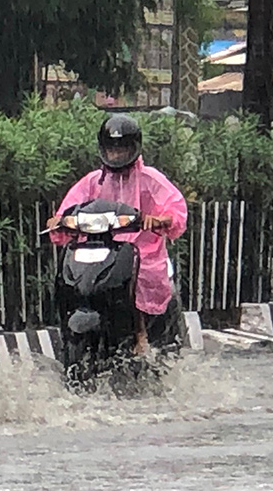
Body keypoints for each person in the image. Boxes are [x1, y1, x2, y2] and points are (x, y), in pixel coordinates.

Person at [47, 113, 188, 354]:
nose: (116, 154)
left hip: (142, 253)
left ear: (134, 148)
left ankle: (141, 335)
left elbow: (176, 209)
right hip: (99, 251)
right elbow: (67, 210)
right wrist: (60, 222)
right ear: (103, 149)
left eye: (122, 149)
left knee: (142, 278)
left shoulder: (151, 179)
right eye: (111, 149)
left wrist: (160, 219)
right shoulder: (93, 181)